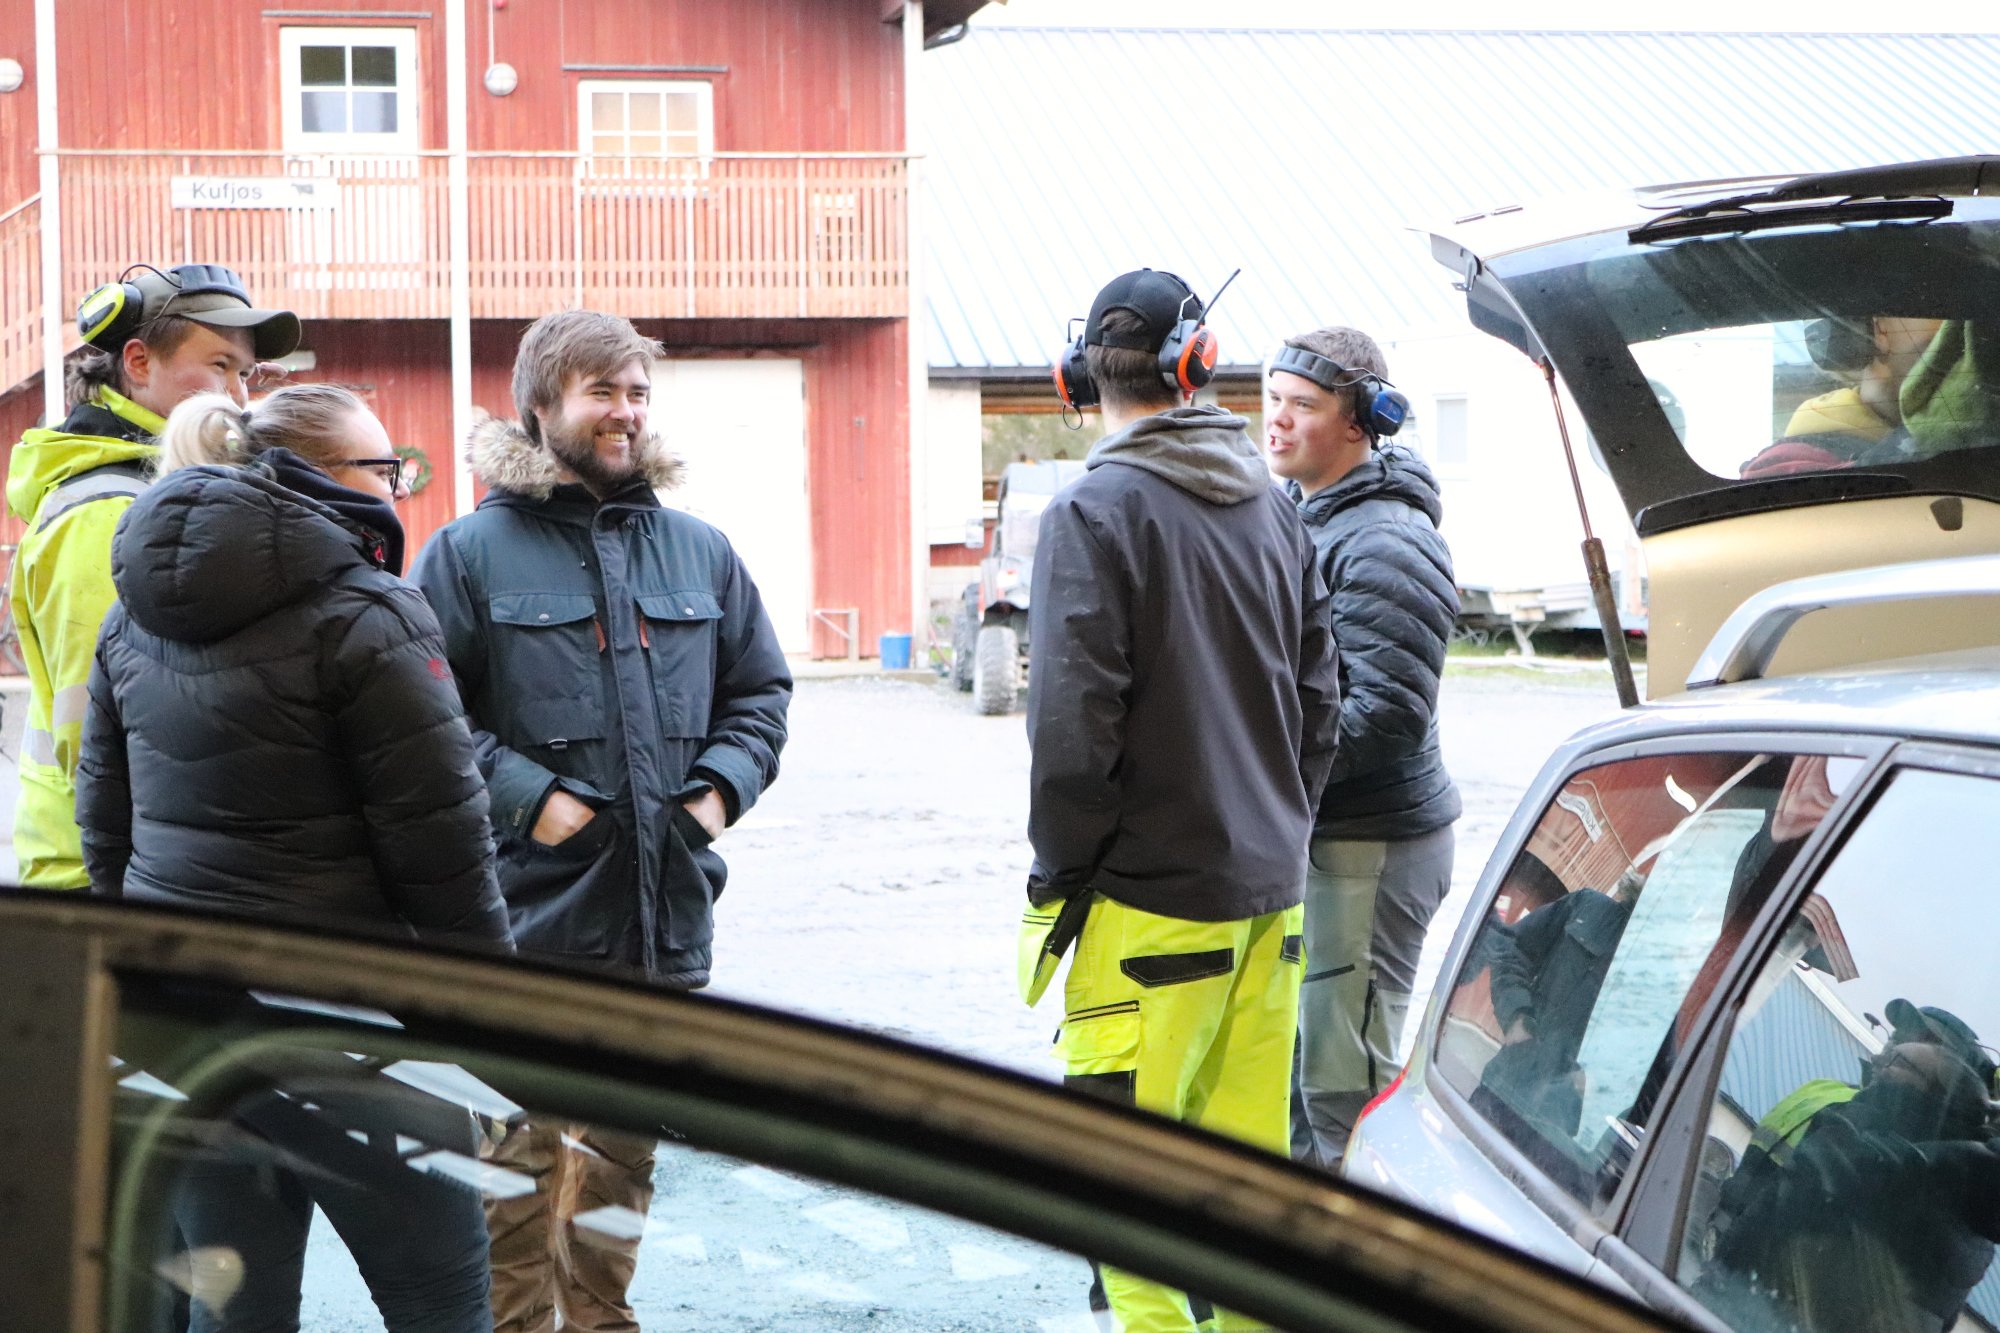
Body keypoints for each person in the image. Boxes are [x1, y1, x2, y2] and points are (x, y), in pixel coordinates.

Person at [74, 384, 512, 1333]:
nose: (395, 488)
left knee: (235, 1306)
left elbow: (103, 832)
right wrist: (493, 1031)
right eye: (384, 468)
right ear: (320, 478)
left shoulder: (129, 616)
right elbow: (445, 852)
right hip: (355, 1038)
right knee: (439, 1299)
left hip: (188, 1030)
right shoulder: (370, 613)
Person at [410, 308, 791, 1333]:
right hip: (523, 923)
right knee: (515, 1170)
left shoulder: (699, 551)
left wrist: (715, 795)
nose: (625, 412)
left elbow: (759, 693)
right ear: (542, 406)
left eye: (636, 393)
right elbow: (420, 718)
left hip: (655, 920)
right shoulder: (466, 555)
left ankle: (599, 1320)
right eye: (602, 392)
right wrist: (533, 802)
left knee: (620, 1165)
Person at [1023, 268, 1340, 1333]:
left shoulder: (1092, 511)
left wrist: (1063, 875)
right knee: (1249, 1201)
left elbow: (1073, 735)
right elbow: (1321, 705)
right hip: (1270, 903)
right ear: (1195, 366)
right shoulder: (1274, 508)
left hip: (1146, 909)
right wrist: (1276, 827)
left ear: (1079, 377)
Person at [8, 262, 298, 888]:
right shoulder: (103, 510)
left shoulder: (163, 488)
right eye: (219, 365)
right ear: (138, 363)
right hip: (100, 874)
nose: (239, 398)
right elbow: (96, 729)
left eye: (245, 374)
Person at [1263, 328, 1461, 1169]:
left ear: (1362, 421)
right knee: (1305, 1076)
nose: (1277, 419)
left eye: (1302, 405)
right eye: (1273, 399)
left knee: (1345, 1090)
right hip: (1330, 838)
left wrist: (1260, 775)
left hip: (1371, 847)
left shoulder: (1385, 540)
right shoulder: (1309, 515)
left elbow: (1386, 714)